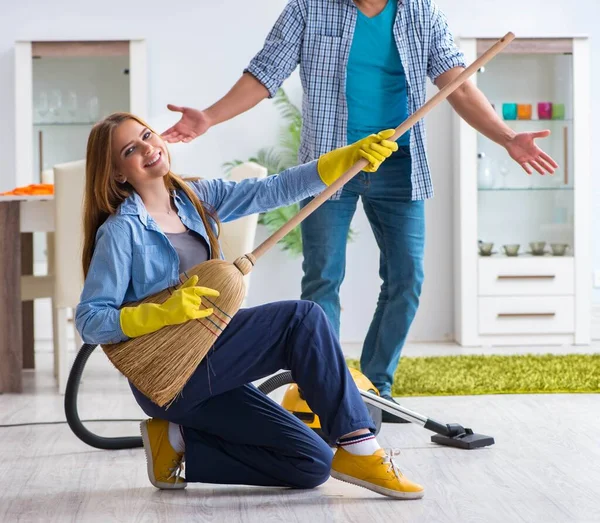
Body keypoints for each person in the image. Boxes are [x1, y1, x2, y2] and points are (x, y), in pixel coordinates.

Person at [160, 0, 559, 421]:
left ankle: (375, 389)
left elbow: (457, 86)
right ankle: (326, 391)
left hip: (398, 162)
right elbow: (264, 75)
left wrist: (508, 137)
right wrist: (209, 116)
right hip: (329, 166)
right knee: (323, 279)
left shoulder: (421, 12)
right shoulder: (309, 9)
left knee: (407, 278)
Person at [74, 111, 425, 499]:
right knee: (302, 319)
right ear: (119, 173)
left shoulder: (195, 198)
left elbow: (271, 190)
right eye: (130, 149)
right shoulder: (121, 232)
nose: (147, 148)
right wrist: (161, 313)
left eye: (146, 135)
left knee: (311, 463)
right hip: (169, 378)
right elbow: (90, 320)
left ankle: (176, 440)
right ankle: (362, 447)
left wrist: (339, 161)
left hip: (212, 365)